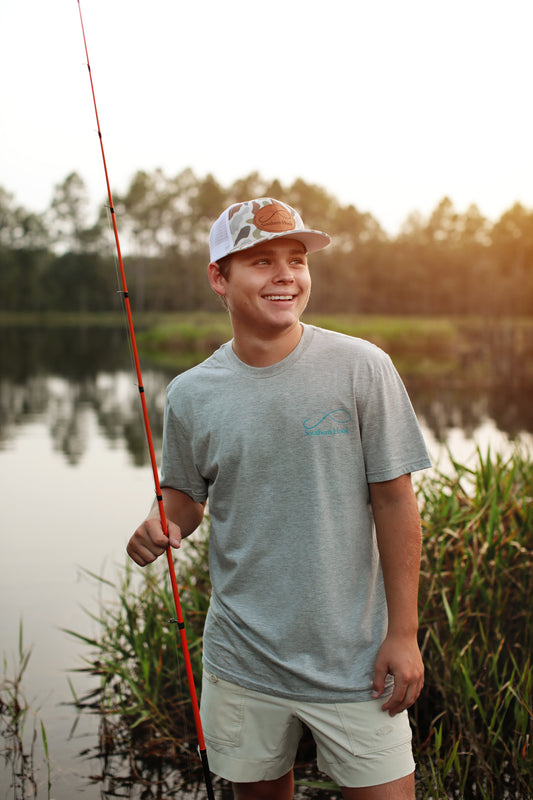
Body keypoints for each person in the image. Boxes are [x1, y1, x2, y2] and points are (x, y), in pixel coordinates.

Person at [127, 197, 432, 800]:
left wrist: (404, 633)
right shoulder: (190, 393)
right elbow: (185, 497)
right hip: (242, 661)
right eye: (262, 261)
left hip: (356, 661)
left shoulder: (362, 367)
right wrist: (161, 521)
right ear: (219, 277)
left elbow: (396, 503)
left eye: (297, 260)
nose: (286, 275)